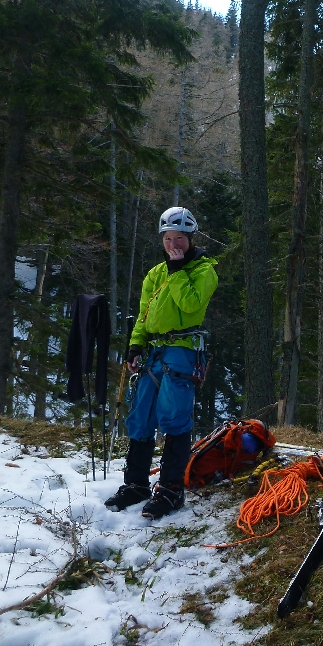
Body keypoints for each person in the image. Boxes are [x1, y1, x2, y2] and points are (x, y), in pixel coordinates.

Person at [105, 206, 218, 519]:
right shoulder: (155, 273)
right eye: (168, 239)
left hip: (183, 348)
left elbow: (192, 305)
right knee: (141, 417)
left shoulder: (203, 270)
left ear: (190, 238)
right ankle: (136, 484)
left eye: (179, 238)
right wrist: (135, 345)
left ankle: (171, 489)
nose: (173, 245)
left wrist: (178, 271)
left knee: (173, 417)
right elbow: (144, 313)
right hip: (154, 350)